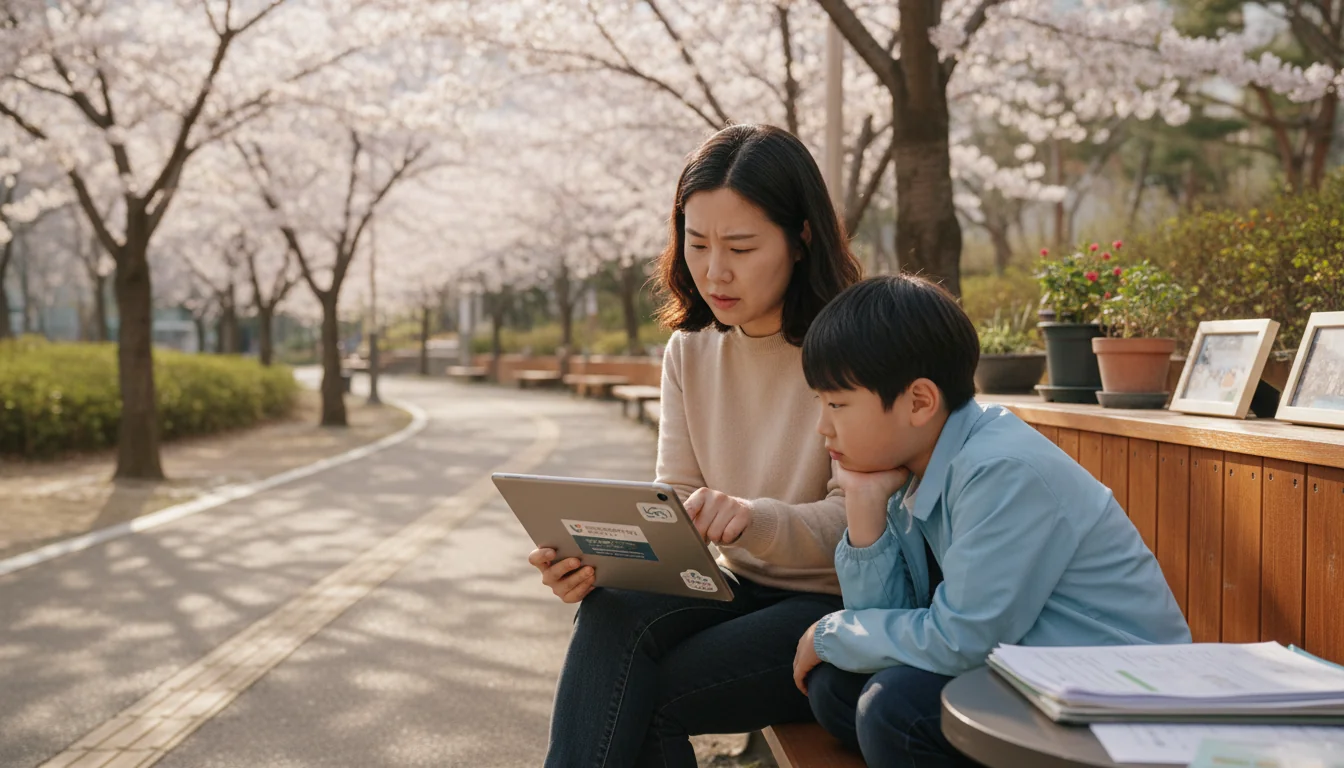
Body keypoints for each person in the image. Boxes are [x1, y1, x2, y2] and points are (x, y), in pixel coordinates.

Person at [525, 123, 862, 767]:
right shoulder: (691, 348)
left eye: (740, 246)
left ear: (802, 238)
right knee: (610, 606)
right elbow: (673, 504)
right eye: (697, 242)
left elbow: (860, 524)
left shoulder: (852, 342)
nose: (713, 270)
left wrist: (754, 520)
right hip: (730, 585)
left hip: (831, 601)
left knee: (637, 696)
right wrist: (596, 559)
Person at [793, 275, 1191, 768]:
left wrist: (831, 632)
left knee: (890, 706)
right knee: (836, 689)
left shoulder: (1000, 470)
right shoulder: (911, 465)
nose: (823, 426)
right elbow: (891, 621)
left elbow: (960, 641)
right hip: (1029, 674)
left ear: (919, 401)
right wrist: (865, 508)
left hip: (1119, 697)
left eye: (837, 404)